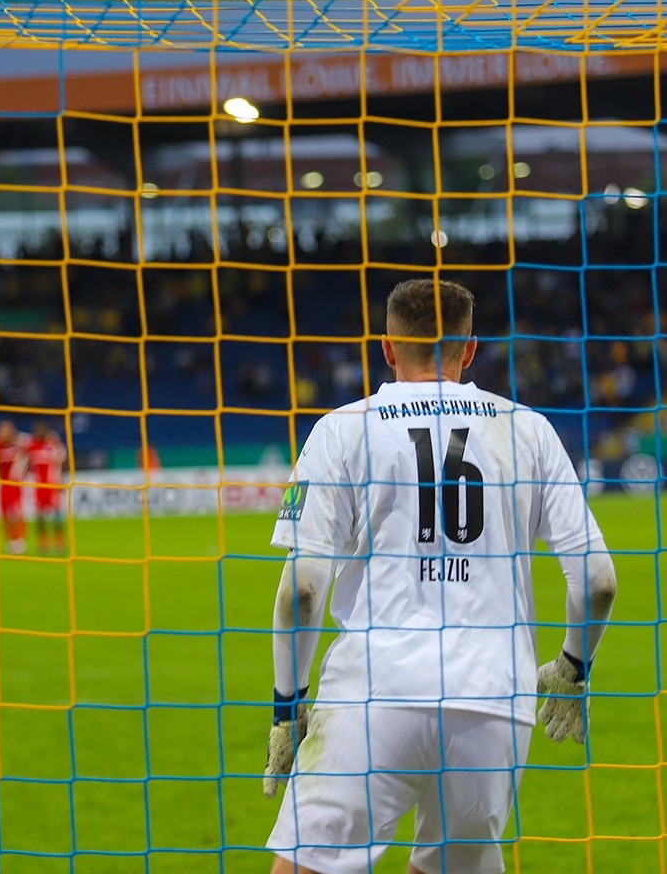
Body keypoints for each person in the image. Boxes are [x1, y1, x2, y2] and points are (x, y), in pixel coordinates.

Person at [263, 278, 617, 874]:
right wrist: (573, 668)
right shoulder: (528, 429)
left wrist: (287, 705)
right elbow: (598, 580)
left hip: (374, 695)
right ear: (470, 349)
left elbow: (300, 590)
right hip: (494, 700)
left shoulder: (343, 428)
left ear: (387, 347)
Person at [27, 420, 67, 555]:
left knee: (57, 515)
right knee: (40, 516)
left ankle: (59, 542)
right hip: (39, 486)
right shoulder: (32, 445)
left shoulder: (54, 444)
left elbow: (62, 462)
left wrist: (62, 481)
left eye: (41, 430)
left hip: (53, 485)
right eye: (37, 431)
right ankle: (43, 542)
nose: (39, 433)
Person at [0, 419, 29, 554]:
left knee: (17, 513)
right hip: (3, 484)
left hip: (16, 485)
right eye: (2, 430)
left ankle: (20, 539)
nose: (4, 433)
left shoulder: (20, 445)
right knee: (4, 514)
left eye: (7, 430)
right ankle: (9, 540)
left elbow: (32, 443)